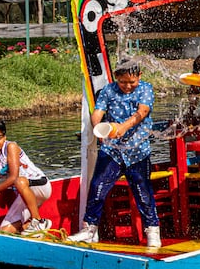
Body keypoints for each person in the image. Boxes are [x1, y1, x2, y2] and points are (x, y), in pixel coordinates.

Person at [68, 58, 162, 248]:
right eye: (123, 82)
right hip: (112, 150)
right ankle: (89, 229)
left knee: (143, 192)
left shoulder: (145, 89)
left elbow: (142, 112)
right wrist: (97, 128)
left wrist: (124, 127)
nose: (127, 86)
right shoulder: (108, 91)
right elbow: (98, 112)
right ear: (116, 78)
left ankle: (152, 230)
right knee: (97, 188)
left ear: (139, 76)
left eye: (132, 82)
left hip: (138, 151)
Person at [0, 117, 51, 234]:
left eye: (0, 137)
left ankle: (38, 221)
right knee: (5, 230)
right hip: (23, 194)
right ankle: (31, 227)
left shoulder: (10, 147)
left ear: (5, 137)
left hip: (39, 185)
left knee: (18, 181)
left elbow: (13, 177)